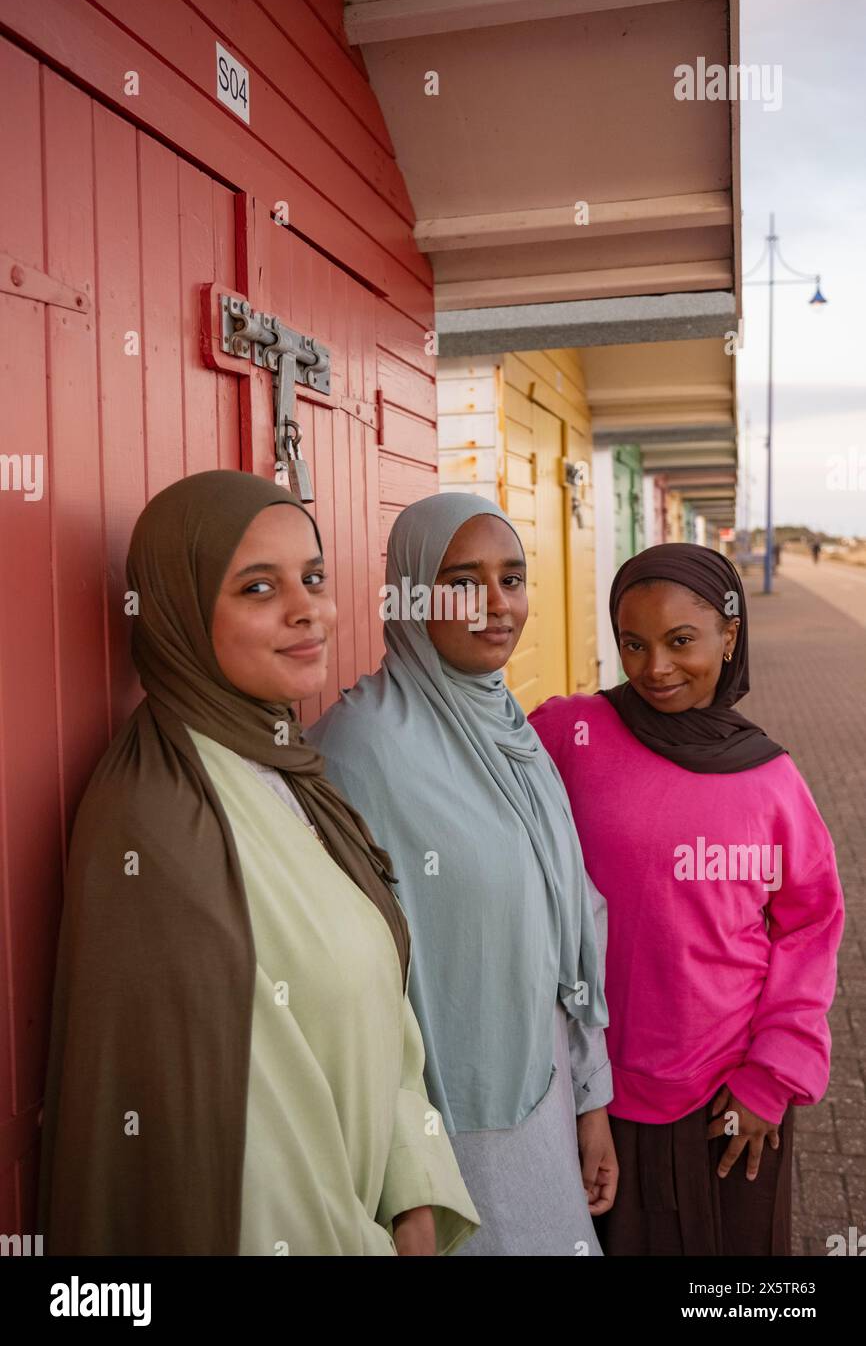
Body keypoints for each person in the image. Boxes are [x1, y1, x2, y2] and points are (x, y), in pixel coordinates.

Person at [38, 470, 478, 1256]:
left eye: (312, 577)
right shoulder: (160, 828)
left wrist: (413, 1189)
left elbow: (381, 1014)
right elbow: (252, 1166)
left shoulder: (286, 767)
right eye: (257, 588)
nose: (307, 608)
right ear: (179, 612)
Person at [308, 492, 617, 1256]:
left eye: (512, 578)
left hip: (539, 1089)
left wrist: (590, 1099)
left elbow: (560, 925)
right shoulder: (358, 750)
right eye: (462, 580)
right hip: (444, 1117)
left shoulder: (510, 725)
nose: (496, 605)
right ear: (410, 587)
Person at [530, 543, 844, 1256]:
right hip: (596, 1095)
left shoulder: (771, 778)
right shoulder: (574, 734)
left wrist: (772, 1075)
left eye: (680, 641)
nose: (655, 669)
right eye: (633, 644)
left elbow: (810, 923)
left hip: (729, 1099)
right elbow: (478, 761)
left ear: (729, 635)